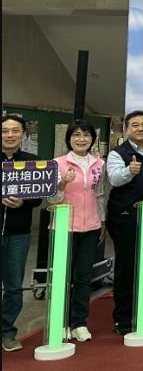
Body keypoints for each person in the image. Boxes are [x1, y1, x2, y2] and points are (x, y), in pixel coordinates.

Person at [105, 110, 143, 335]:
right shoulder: (117, 153)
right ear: (126, 129)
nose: (140, 128)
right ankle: (122, 317)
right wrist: (129, 172)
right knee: (126, 268)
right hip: (125, 218)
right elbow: (114, 179)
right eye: (135, 125)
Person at [47, 120, 106, 342]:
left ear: (92, 139)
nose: (81, 139)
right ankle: (60, 322)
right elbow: (51, 199)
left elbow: (99, 195)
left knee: (83, 277)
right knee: (62, 276)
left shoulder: (99, 164)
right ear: (69, 139)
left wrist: (102, 221)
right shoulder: (58, 163)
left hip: (91, 226)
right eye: (76, 135)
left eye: (86, 135)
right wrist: (62, 183)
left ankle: (78, 323)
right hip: (64, 227)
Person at [1, 115, 41, 352]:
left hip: (19, 234)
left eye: (15, 131)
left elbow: (38, 197)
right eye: (5, 130)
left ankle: (7, 332)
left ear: (23, 134)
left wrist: (22, 202)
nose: (9, 135)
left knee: (14, 286)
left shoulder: (32, 162)